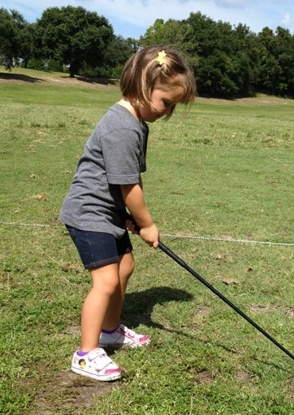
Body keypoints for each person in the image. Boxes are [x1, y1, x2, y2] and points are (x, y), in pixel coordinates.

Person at [59, 45, 197, 381]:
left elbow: (123, 183)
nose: (167, 113)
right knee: (105, 281)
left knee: (126, 266)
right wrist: (147, 224)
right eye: (166, 103)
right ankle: (86, 354)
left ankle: (110, 331)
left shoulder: (136, 123)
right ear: (143, 86)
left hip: (109, 213)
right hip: (89, 213)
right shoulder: (122, 127)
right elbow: (128, 185)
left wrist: (127, 218)